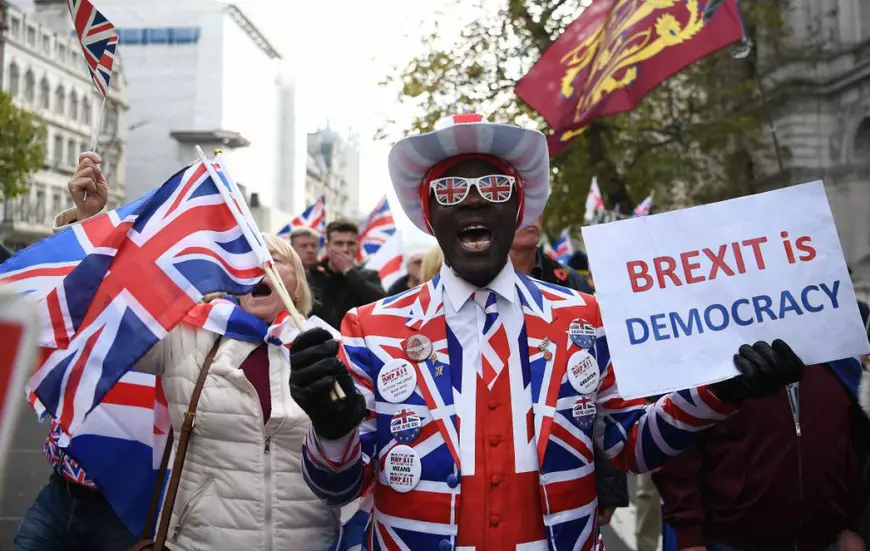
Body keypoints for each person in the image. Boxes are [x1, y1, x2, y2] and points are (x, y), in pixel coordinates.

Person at [288, 114, 803, 550]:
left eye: (493, 187)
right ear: (429, 214)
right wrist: (331, 431)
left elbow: (633, 446)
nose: (471, 201)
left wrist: (722, 389)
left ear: (518, 211)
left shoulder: (586, 316)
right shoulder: (371, 327)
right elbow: (337, 487)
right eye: (450, 189)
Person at [14, 152, 340, 551]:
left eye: (275, 260)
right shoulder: (190, 335)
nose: (262, 265)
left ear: (296, 282)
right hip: (202, 541)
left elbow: (350, 456)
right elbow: (107, 305)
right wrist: (91, 222)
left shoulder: (330, 347)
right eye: (252, 258)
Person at [653, 357, 868, 551]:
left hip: (828, 540)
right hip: (732, 540)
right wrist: (690, 539)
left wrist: (852, 525)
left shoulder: (837, 351)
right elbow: (677, 449)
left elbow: (857, 439)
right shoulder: (709, 353)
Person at [510, 214, 628, 525]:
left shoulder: (570, 283)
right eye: (522, 210)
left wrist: (609, 488)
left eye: (537, 208)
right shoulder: (473, 284)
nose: (532, 219)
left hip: (565, 473)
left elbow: (597, 393)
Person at [307, 219, 385, 329]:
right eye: (339, 243)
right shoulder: (311, 275)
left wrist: (349, 272)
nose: (345, 249)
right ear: (327, 246)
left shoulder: (368, 276)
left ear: (357, 246)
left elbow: (381, 305)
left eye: (351, 243)